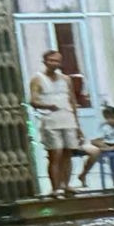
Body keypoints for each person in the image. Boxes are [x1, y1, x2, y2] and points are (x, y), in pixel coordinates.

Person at [29, 50, 81, 199]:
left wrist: (78, 125)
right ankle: (55, 187)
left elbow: (72, 101)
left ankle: (66, 184)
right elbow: (33, 101)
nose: (54, 63)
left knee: (67, 153)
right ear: (45, 61)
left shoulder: (66, 79)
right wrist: (48, 106)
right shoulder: (37, 79)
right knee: (55, 154)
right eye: (51, 60)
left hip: (68, 119)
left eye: (57, 61)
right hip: (50, 120)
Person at [76, 104, 114, 188]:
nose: (110, 120)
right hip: (108, 145)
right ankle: (84, 174)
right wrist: (104, 145)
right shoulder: (104, 127)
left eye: (112, 117)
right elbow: (95, 140)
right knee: (94, 144)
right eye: (107, 118)